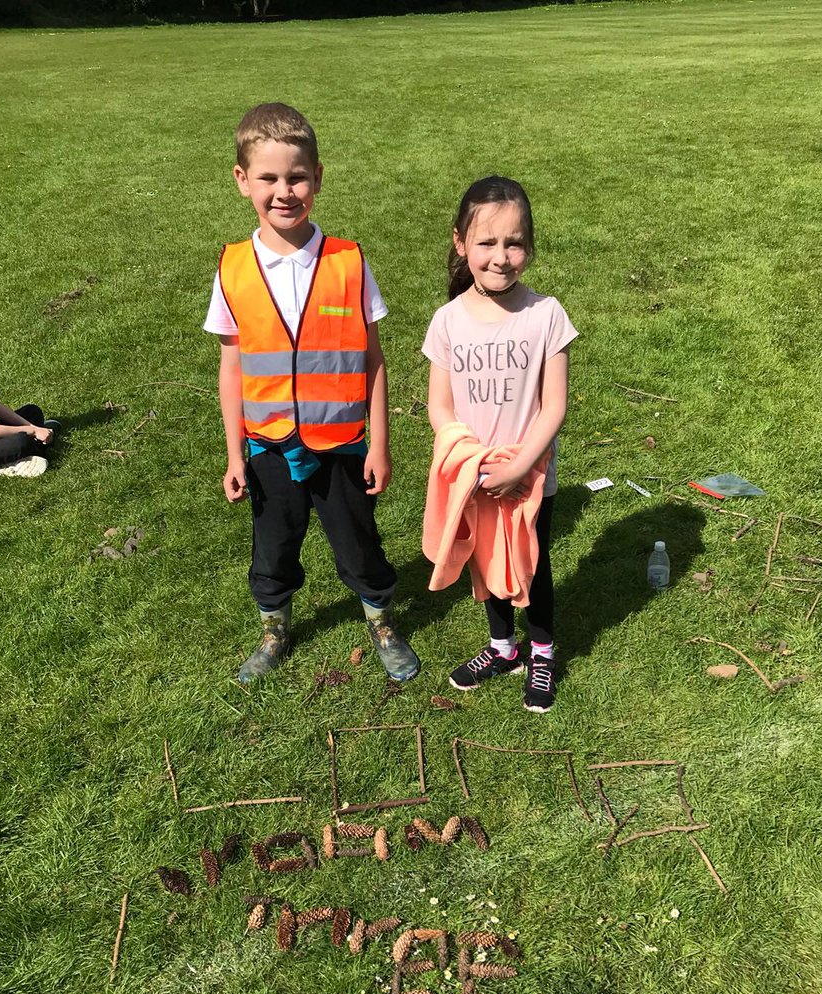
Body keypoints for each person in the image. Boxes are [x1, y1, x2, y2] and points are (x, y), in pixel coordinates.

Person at [204, 103, 419, 685]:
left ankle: (380, 619)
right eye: (268, 178)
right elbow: (231, 367)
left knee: (357, 541)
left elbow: (374, 360)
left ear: (318, 177)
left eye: (296, 177)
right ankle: (275, 625)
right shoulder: (233, 268)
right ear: (242, 180)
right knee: (273, 544)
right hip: (268, 445)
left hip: (342, 442)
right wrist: (234, 454)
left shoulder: (348, 261)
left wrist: (379, 444)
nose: (284, 191)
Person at [422, 177, 578, 713]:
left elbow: (554, 405)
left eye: (513, 243)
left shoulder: (546, 315)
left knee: (532, 564)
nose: (501, 257)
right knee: (486, 562)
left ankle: (540, 651)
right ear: (461, 243)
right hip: (474, 474)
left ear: (529, 247)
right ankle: (501, 647)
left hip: (530, 474)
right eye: (486, 243)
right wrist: (468, 457)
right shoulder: (447, 321)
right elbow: (439, 407)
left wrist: (520, 465)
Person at [0, 333, 58, 477]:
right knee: (21, 440)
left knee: (32, 412)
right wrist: (33, 432)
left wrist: (33, 427)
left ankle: (26, 451)